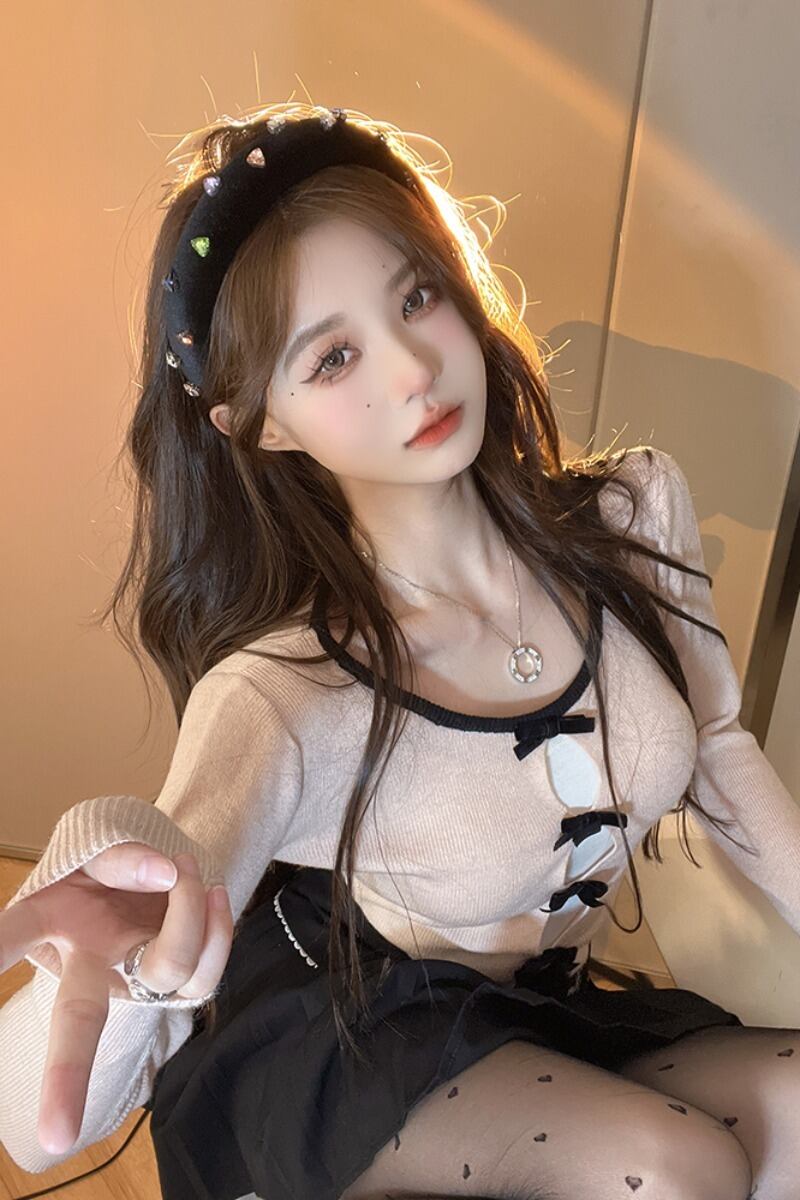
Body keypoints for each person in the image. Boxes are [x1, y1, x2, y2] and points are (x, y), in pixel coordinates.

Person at [0, 102, 794, 1200]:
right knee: (672, 1168)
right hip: (357, 1043)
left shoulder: (631, 512)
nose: (414, 368)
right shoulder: (287, 693)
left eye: (416, 296)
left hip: (547, 1013)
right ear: (260, 423)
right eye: (333, 357)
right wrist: (128, 944)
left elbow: (718, 748)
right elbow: (39, 1135)